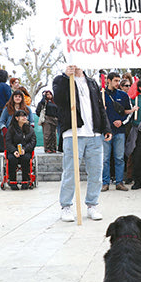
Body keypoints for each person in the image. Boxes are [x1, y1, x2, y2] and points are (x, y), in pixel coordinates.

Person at [53, 65, 112, 221]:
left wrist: (106, 127)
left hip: (94, 134)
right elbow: (58, 99)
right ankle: (66, 206)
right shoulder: (61, 80)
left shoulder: (92, 83)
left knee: (96, 172)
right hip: (73, 133)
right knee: (71, 172)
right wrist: (66, 78)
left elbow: (100, 107)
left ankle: (92, 205)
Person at [102, 72, 133, 192]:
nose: (117, 83)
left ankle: (119, 182)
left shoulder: (123, 95)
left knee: (119, 158)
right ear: (108, 81)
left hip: (120, 131)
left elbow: (129, 112)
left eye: (118, 81)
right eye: (115, 80)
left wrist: (122, 122)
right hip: (105, 132)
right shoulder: (101, 95)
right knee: (105, 158)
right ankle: (105, 183)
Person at [5, 110, 37, 190]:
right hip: (14, 151)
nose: (25, 118)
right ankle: (12, 181)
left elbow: (33, 142)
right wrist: (14, 151)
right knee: (12, 159)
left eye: (25, 116)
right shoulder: (11, 129)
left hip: (25, 151)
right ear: (16, 118)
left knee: (26, 158)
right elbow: (8, 142)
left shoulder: (30, 129)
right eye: (22, 116)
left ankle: (25, 181)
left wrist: (25, 150)